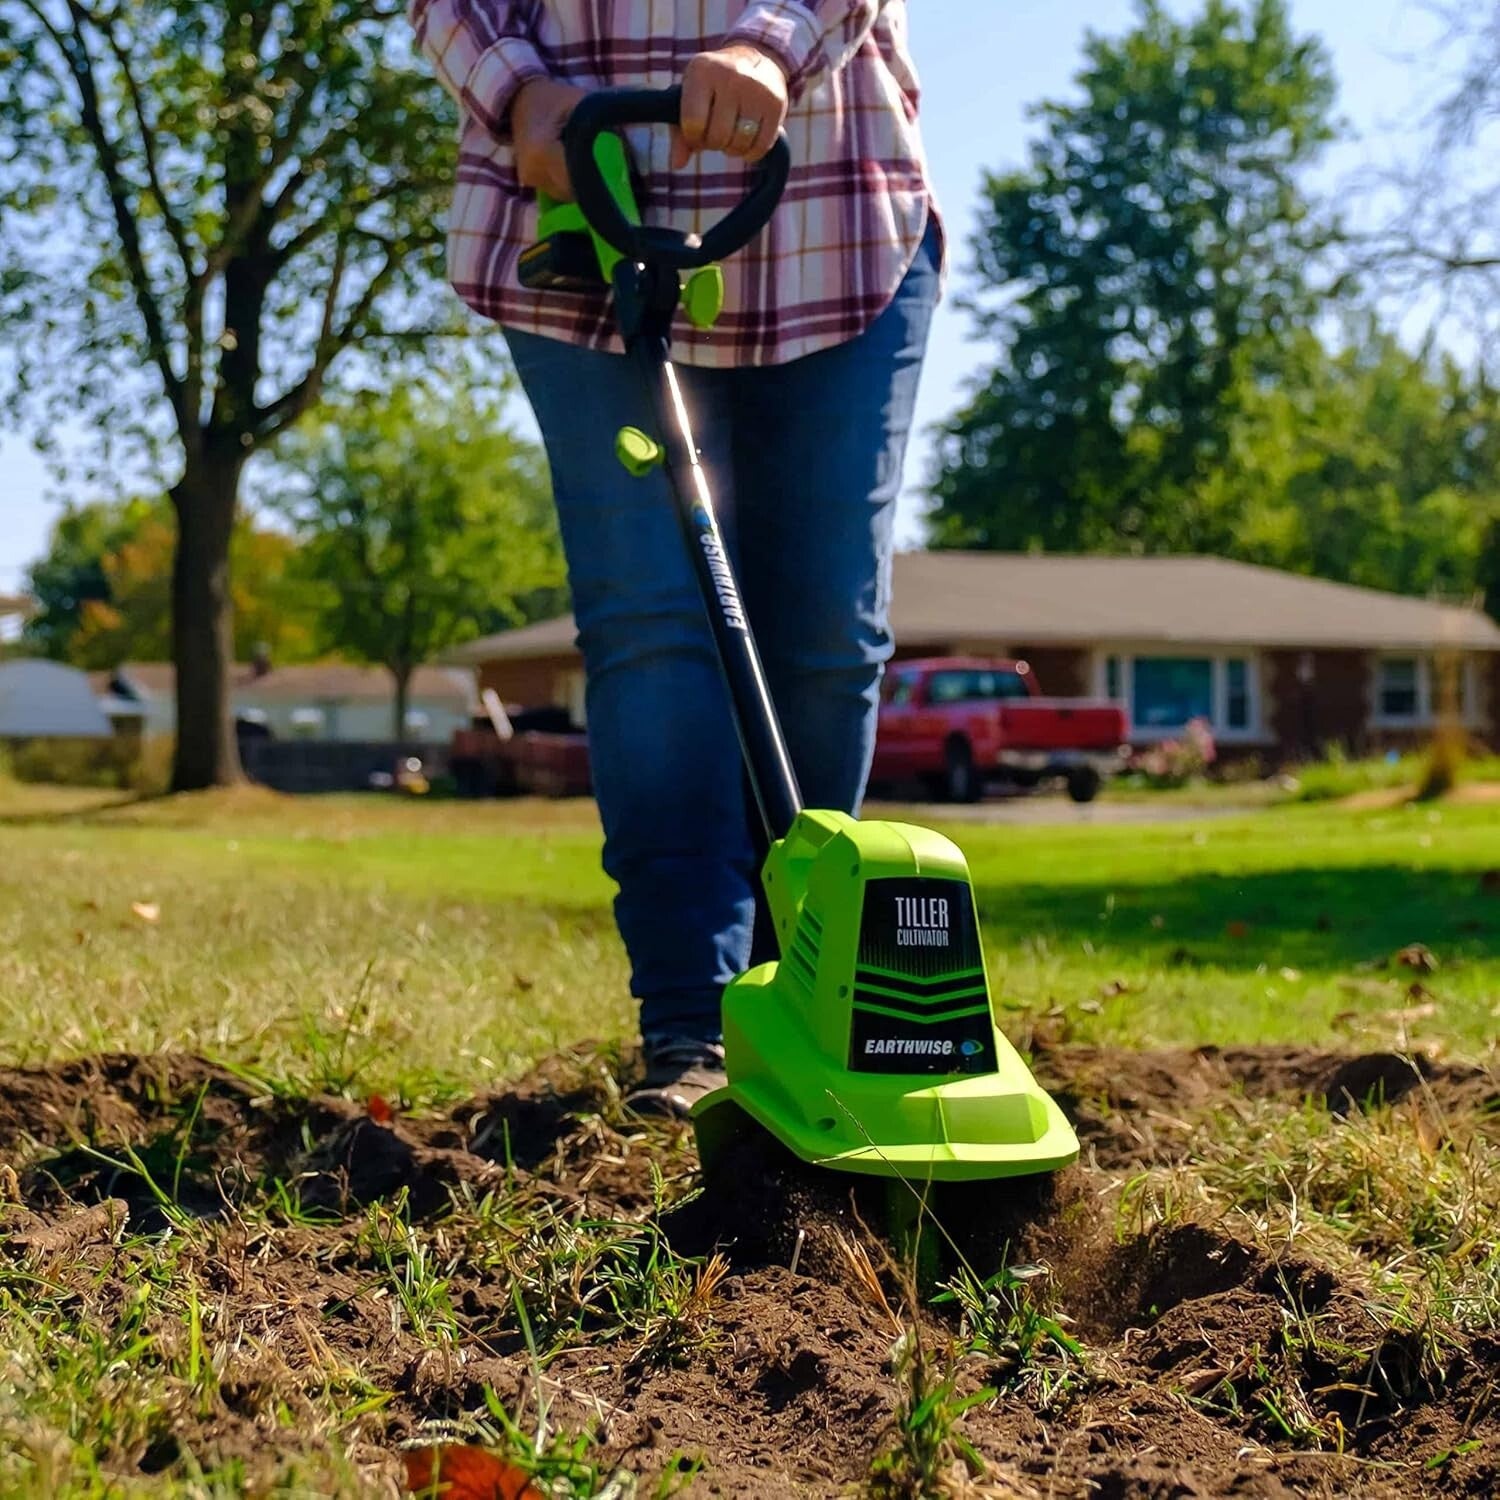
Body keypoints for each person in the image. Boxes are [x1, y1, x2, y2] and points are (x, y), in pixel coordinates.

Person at [410, 0, 941, 1115]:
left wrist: (769, 42)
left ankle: (806, 988)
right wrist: (514, 89)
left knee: (825, 638)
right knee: (652, 629)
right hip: (581, 207)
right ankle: (692, 1028)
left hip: (827, 218)